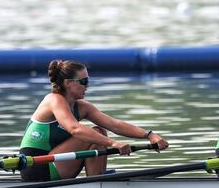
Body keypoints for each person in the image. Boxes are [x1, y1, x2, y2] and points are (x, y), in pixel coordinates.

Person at [19, 59, 169, 181]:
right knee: (95, 135)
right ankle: (97, 183)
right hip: (36, 169)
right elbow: (75, 129)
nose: (87, 85)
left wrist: (150, 135)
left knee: (100, 132)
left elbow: (115, 125)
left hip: (55, 165)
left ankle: (97, 179)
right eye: (83, 81)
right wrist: (113, 143)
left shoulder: (82, 107)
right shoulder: (54, 100)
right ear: (67, 83)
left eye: (88, 80)